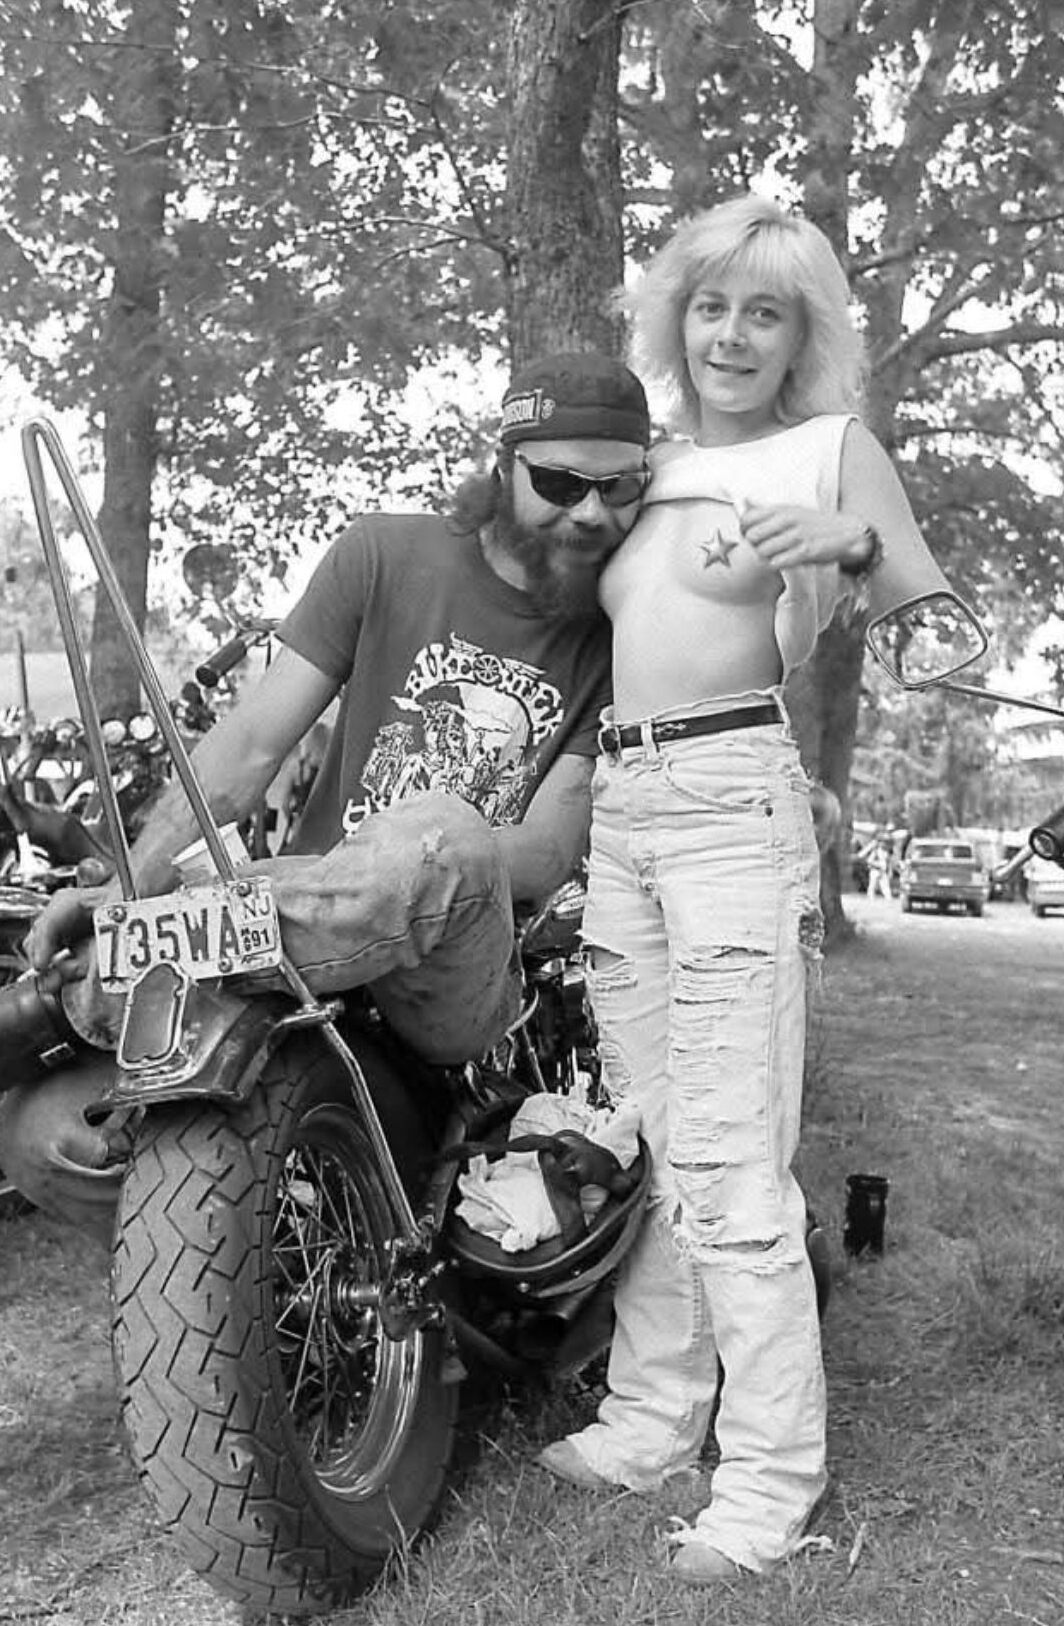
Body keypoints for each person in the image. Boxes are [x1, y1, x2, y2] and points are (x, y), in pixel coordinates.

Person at [535, 194, 955, 1584]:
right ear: (677, 319)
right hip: (623, 809)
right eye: (709, 306)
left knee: (730, 1155)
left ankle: (770, 1479)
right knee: (657, 1140)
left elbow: (935, 631)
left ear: (798, 335)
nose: (729, 333)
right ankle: (652, 1418)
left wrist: (852, 553)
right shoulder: (643, 466)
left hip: (729, 800)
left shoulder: (832, 449)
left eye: (761, 312)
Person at [0, 351, 652, 1245]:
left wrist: (375, 875)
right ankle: (289, 1276)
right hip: (285, 957)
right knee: (44, 1136)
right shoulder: (384, 554)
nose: (591, 513)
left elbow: (541, 853)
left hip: (457, 980)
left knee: (441, 838)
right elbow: (245, 751)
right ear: (504, 467)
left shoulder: (630, 632)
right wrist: (126, 885)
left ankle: (85, 991)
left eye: (620, 489)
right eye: (562, 483)